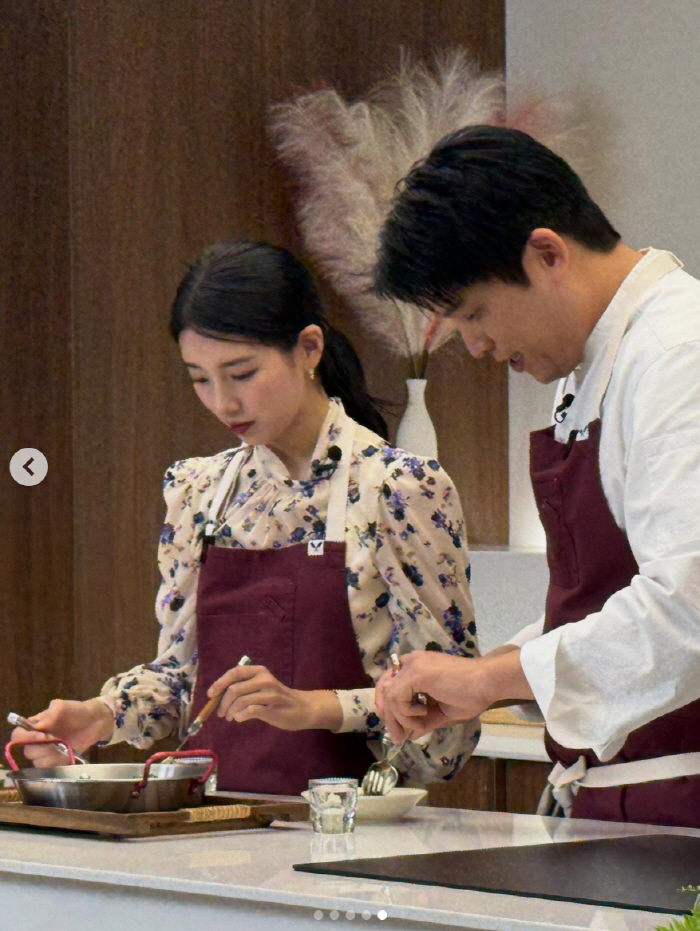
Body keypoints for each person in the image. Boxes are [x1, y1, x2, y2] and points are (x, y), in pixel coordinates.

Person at [12, 240, 479, 795]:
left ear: (308, 349)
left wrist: (317, 708)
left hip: (354, 840)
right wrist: (102, 715)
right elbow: (186, 681)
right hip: (215, 831)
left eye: (241, 373)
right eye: (200, 379)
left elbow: (450, 715)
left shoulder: (398, 490)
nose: (222, 403)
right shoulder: (197, 491)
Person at [372, 125, 700, 827]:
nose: (478, 346)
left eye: (476, 313)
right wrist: (486, 675)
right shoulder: (587, 370)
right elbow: (598, 600)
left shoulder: (680, 354)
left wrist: (488, 676)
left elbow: (687, 610)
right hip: (620, 806)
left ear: (548, 253)